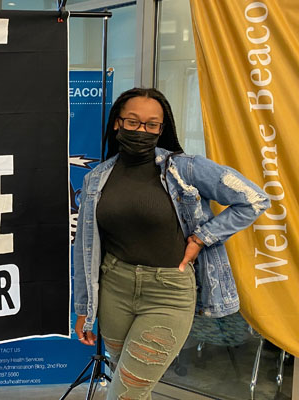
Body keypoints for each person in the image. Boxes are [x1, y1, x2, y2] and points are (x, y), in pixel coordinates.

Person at [72, 87, 270, 399]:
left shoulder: (185, 168)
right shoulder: (96, 178)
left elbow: (254, 199)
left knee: (125, 393)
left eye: (152, 125)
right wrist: (83, 307)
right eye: (133, 122)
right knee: (134, 388)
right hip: (115, 290)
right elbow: (84, 248)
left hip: (168, 295)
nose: (142, 131)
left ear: (162, 129)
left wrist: (202, 238)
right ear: (116, 123)